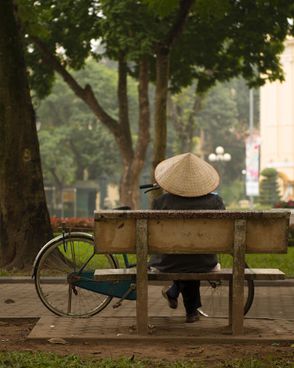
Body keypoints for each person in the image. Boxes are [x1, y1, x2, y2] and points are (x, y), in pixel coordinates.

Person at [149, 152, 225, 323]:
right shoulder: (216, 202)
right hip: (205, 261)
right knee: (192, 256)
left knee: (182, 256)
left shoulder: (161, 203)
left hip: (167, 261)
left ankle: (177, 294)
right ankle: (190, 310)